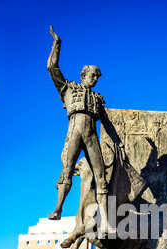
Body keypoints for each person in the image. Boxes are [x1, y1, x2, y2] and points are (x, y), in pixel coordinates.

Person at [47, 26, 122, 233]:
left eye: (97, 77)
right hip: (74, 132)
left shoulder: (98, 99)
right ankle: (58, 209)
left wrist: (119, 143)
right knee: (67, 171)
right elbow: (52, 68)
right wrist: (57, 44)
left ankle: (106, 222)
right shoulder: (68, 88)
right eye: (92, 75)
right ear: (84, 75)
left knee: (101, 178)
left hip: (91, 137)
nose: (95, 79)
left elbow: (106, 122)